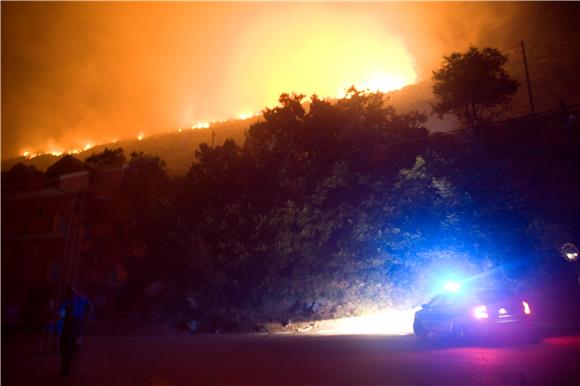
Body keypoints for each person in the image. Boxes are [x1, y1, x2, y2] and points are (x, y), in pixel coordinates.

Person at [59, 285, 94, 376]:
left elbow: (60, 309)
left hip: (69, 323)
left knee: (65, 345)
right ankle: (73, 364)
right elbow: (90, 307)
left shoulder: (68, 298)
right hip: (78, 323)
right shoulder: (83, 298)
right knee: (76, 343)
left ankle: (66, 369)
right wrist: (86, 318)